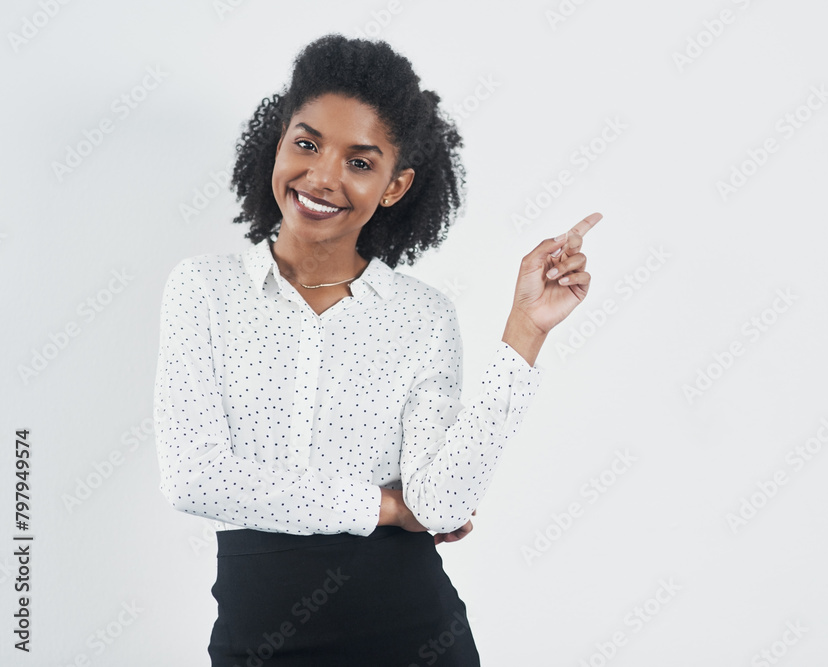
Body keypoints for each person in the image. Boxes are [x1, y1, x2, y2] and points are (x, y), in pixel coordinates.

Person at [153, 33, 600, 665]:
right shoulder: (205, 291)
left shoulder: (421, 317)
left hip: (416, 637)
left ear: (395, 185)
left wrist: (525, 329)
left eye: (360, 162)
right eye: (307, 143)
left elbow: (442, 505)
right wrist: (386, 506)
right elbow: (196, 479)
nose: (323, 177)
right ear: (281, 139)